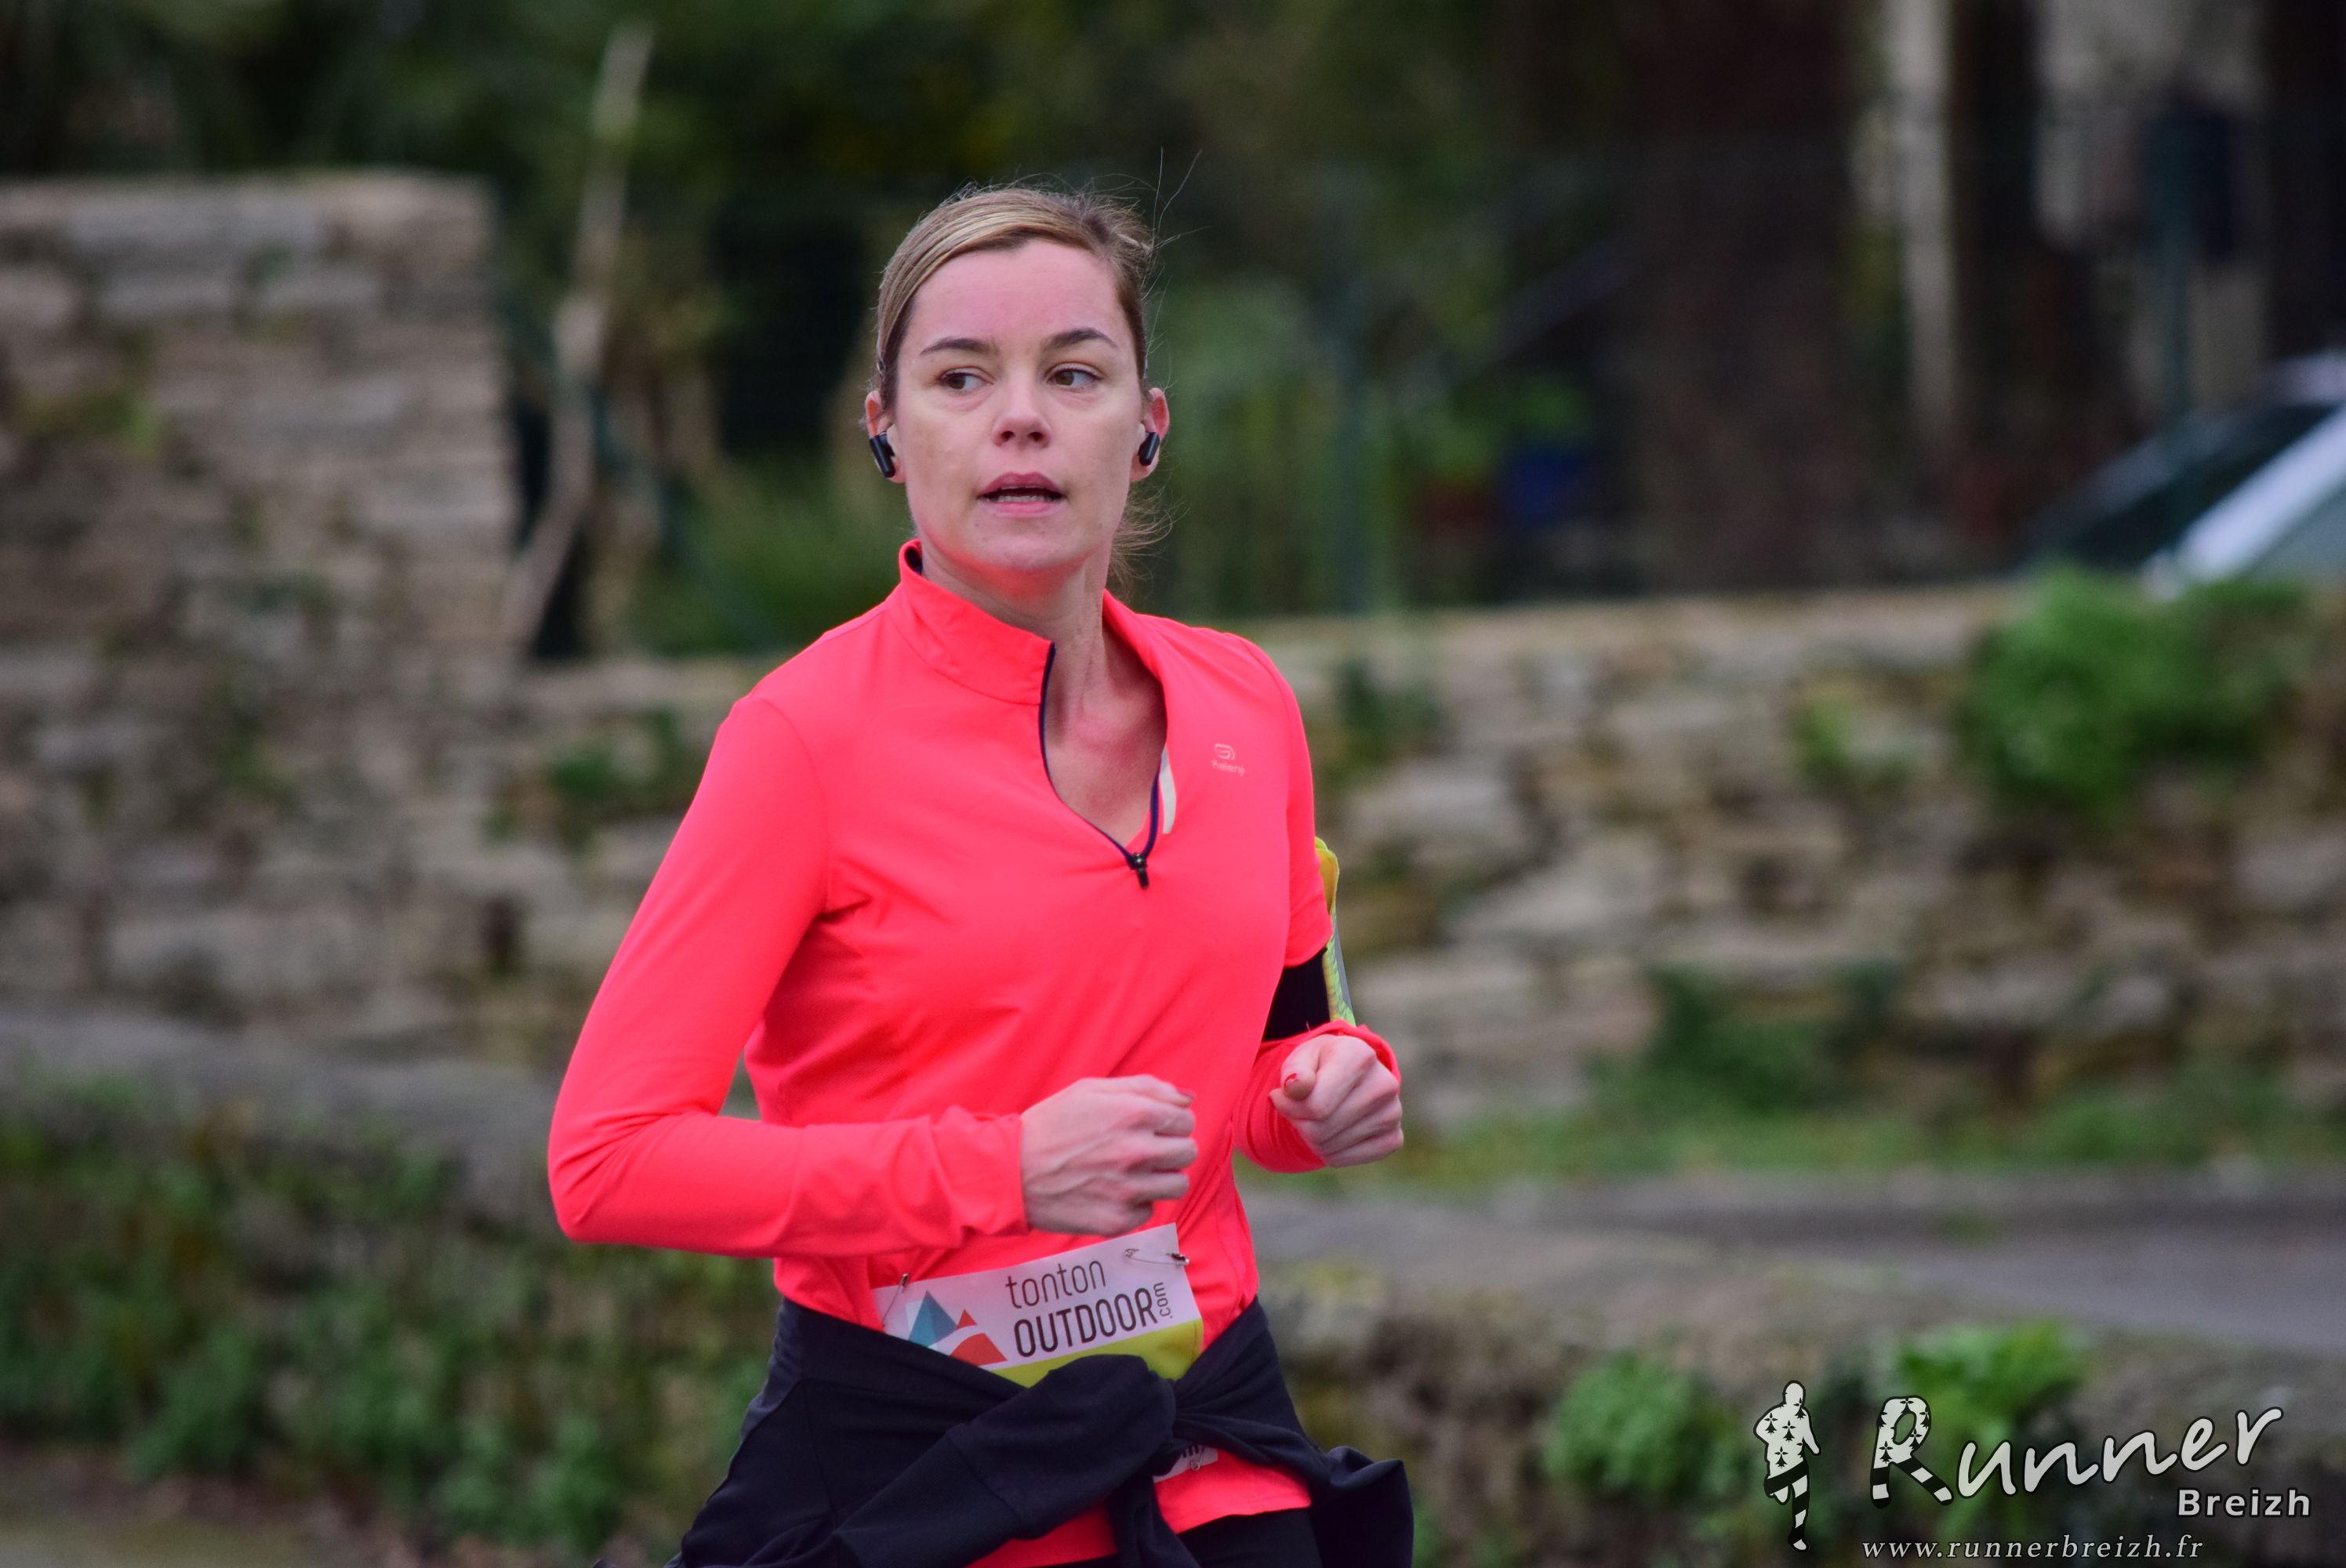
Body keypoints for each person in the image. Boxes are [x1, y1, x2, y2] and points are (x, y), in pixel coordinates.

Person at [547, 180, 1409, 1568]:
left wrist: (1330, 1086)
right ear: (885, 430)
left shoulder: (1247, 704)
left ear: (1147, 425)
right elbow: (607, 1162)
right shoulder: (801, 742)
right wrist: (999, 1169)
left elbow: (1282, 1059)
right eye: (962, 376)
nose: (1022, 417)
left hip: (1208, 1454)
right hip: (920, 1471)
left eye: (1074, 372)